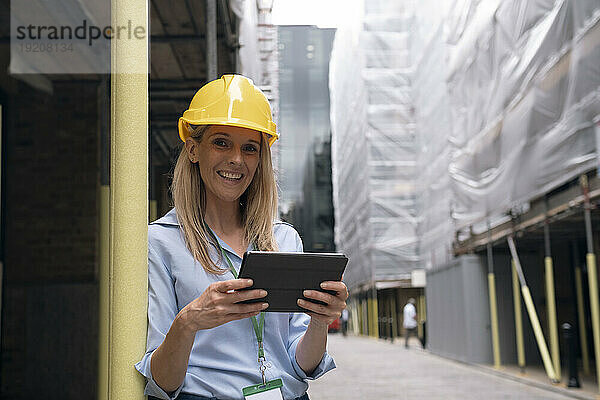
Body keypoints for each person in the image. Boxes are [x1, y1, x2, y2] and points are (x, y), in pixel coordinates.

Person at [135, 75, 348, 400]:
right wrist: (189, 322)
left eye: (250, 148)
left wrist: (320, 321)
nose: (236, 158)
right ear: (193, 149)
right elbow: (163, 383)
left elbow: (303, 364)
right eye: (221, 142)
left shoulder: (285, 240)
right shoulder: (162, 242)